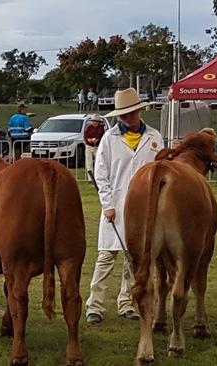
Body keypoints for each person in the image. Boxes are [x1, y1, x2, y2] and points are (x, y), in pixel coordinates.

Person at [85, 88, 164, 324]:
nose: (127, 118)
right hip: (115, 206)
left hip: (143, 209)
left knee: (134, 259)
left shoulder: (154, 137)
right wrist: (107, 204)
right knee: (106, 257)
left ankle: (126, 302)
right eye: (123, 114)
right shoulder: (109, 138)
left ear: (139, 111)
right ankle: (94, 305)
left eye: (131, 113)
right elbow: (101, 174)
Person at [84, 114, 106, 180]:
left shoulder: (101, 128)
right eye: (93, 121)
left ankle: (98, 177)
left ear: (98, 122)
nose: (94, 122)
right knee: (89, 162)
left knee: (98, 162)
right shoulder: (88, 127)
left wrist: (97, 140)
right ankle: (90, 178)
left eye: (96, 121)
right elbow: (85, 136)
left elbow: (102, 136)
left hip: (97, 146)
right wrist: (88, 140)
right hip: (89, 146)